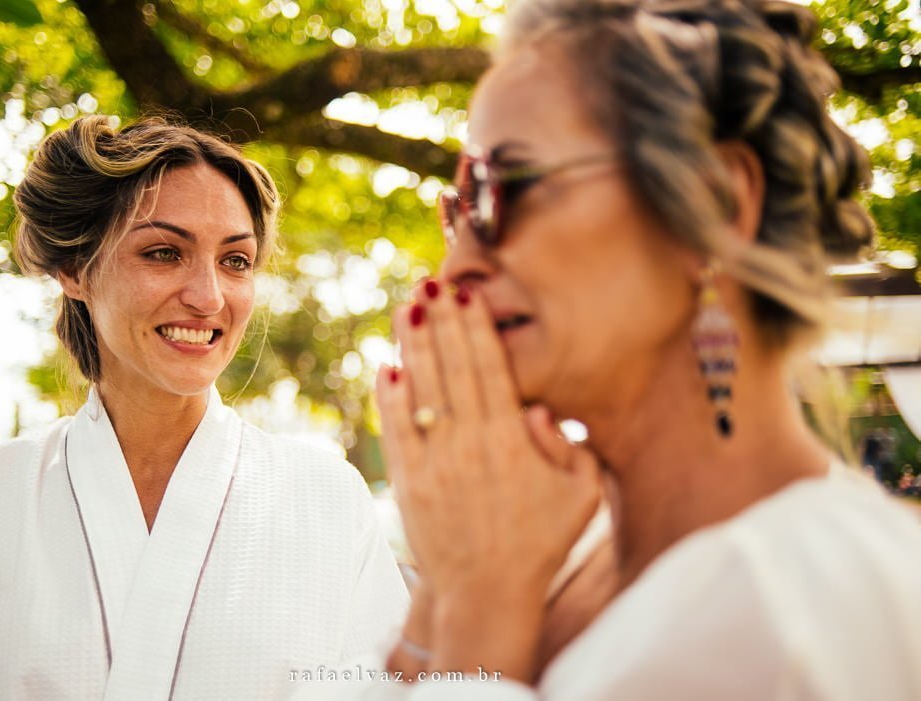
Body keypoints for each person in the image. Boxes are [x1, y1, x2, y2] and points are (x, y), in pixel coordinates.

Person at [295, 0, 921, 699]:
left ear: (714, 206)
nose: (455, 266)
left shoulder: (792, 608)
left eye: (502, 190)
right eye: (457, 210)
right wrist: (447, 589)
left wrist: (478, 615)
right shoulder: (547, 544)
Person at [0, 116, 408, 700]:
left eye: (236, 261)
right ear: (76, 269)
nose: (208, 297)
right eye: (163, 252)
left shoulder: (329, 501)